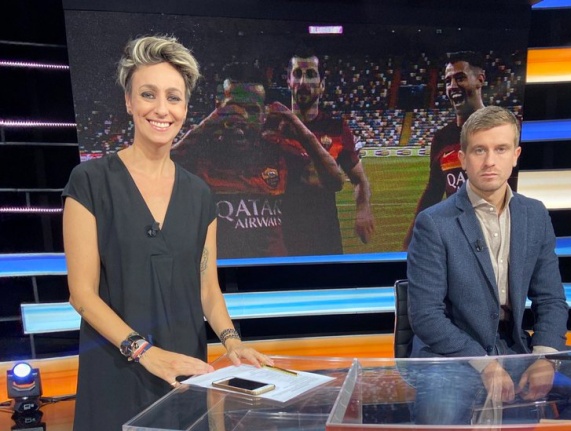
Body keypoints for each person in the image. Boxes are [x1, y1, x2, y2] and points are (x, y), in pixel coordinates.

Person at [62, 36, 273, 430]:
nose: (162, 109)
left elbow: (207, 289)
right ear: (129, 101)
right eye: (148, 94)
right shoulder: (89, 181)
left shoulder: (199, 193)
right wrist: (146, 352)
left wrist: (233, 342)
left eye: (173, 98)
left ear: (186, 108)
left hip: (186, 373)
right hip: (115, 372)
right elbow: (82, 294)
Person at [407, 106, 571, 425]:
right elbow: (426, 315)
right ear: (463, 159)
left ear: (516, 155)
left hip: (517, 348)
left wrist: (545, 357)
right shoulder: (434, 222)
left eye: (500, 149)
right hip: (454, 355)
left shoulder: (534, 214)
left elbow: (550, 299)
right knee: (438, 418)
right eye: (480, 150)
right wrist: (485, 364)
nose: (490, 161)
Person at [171, 79, 343, 258]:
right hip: (223, 271)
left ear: (264, 114)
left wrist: (299, 128)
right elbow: (156, 171)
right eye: (233, 109)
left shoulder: (277, 151)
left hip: (272, 270)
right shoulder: (201, 152)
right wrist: (206, 125)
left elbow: (335, 181)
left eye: (252, 110)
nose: (243, 118)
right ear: (218, 109)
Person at [282, 52, 375, 255]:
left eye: (311, 74)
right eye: (297, 74)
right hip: (283, 238)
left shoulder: (337, 128)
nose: (303, 81)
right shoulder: (274, 127)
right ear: (288, 82)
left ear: (322, 85)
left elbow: (359, 180)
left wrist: (363, 208)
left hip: (325, 235)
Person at [403, 52, 485, 249]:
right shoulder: (442, 138)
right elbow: (433, 192)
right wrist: (412, 238)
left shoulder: (505, 129)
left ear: (479, 80)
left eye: (460, 78)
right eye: (448, 81)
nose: (452, 86)